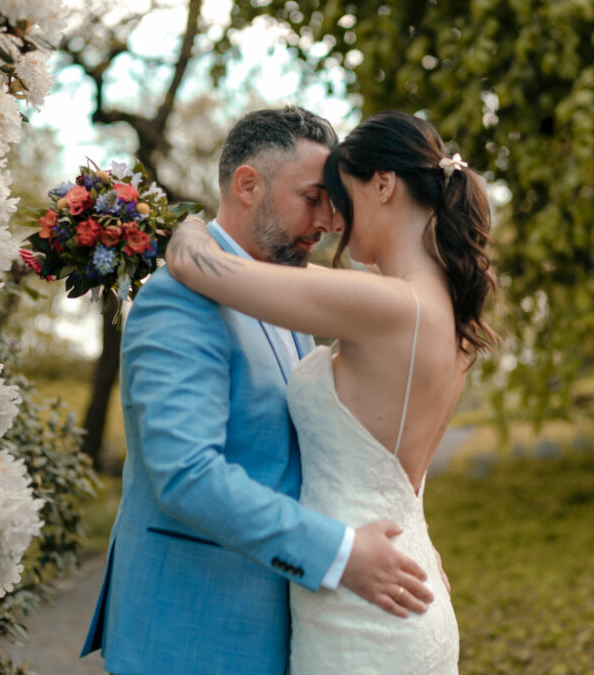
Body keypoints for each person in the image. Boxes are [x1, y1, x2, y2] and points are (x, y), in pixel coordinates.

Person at [80, 106, 434, 675]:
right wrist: (338, 554)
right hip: (192, 635)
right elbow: (187, 475)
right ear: (248, 185)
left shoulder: (281, 293)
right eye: (313, 197)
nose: (329, 220)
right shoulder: (180, 298)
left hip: (286, 627)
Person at [166, 110, 498, 673]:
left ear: (385, 185)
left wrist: (186, 223)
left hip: (360, 607)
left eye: (341, 196)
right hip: (404, 576)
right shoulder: (440, 311)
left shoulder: (388, 305)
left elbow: (193, 264)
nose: (335, 222)